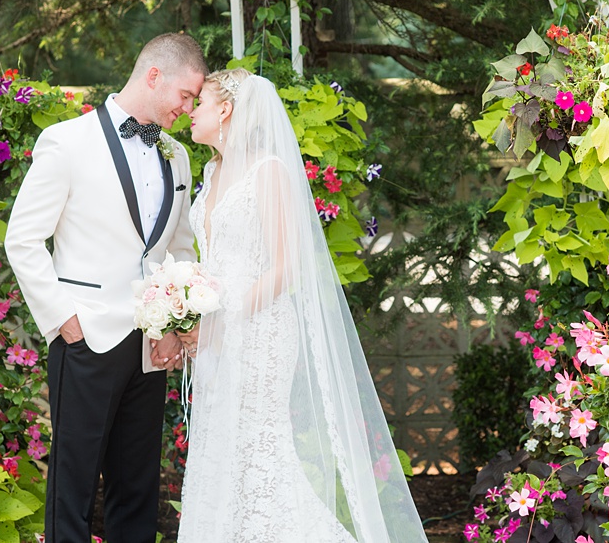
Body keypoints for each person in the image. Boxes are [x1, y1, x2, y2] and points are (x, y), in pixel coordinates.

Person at [176, 68, 429, 542]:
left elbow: (286, 265)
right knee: (220, 450)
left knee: (258, 448)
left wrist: (223, 318)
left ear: (225, 110)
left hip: (259, 330)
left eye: (200, 104)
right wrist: (189, 307)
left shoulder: (266, 171)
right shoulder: (210, 172)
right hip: (216, 333)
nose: (190, 113)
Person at [4, 33, 206, 543]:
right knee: (71, 489)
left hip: (150, 348)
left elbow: (179, 252)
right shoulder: (66, 140)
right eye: (186, 95)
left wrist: (176, 328)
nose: (189, 108)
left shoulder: (177, 155)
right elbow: (23, 239)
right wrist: (62, 320)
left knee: (137, 487)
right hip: (85, 336)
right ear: (154, 76)